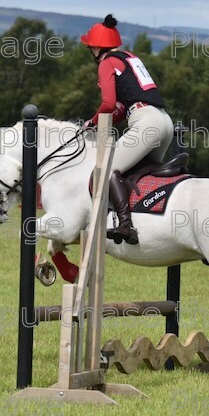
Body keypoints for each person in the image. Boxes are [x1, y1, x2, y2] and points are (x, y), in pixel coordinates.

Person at [80, 14, 174, 245]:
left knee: (106, 171)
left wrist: (90, 122)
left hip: (146, 123)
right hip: (164, 122)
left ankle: (125, 225)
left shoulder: (106, 62)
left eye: (90, 47)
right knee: (137, 172)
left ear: (95, 47)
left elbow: (109, 104)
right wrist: (102, 119)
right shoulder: (130, 57)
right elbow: (121, 109)